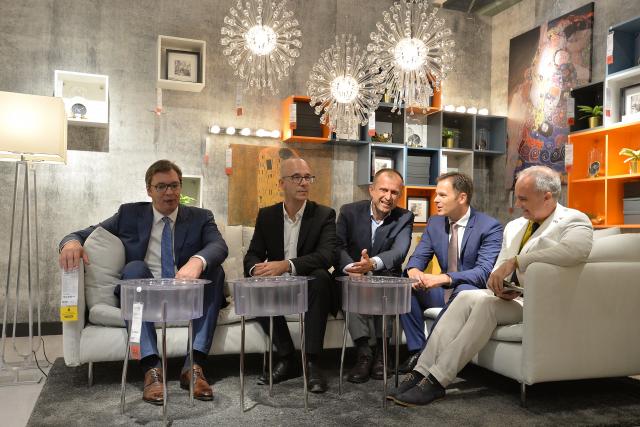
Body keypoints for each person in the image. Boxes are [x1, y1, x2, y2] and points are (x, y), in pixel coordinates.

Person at [389, 165, 593, 407]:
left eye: (523, 198)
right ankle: (421, 371)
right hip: (513, 298)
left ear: (547, 196)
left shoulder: (573, 220)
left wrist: (517, 261)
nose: (517, 204)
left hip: (540, 302)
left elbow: (576, 251)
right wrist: (498, 284)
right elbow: (496, 269)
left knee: (486, 306)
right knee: (465, 297)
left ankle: (437, 380)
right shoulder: (515, 226)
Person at [59, 160, 227, 405]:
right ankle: (151, 369)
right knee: (134, 268)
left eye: (174, 185)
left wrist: (197, 261)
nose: (169, 192)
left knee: (215, 270)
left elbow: (218, 245)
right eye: (161, 186)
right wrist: (71, 243)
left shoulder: (201, 217)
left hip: (186, 292)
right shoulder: (129, 214)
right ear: (149, 190)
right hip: (144, 294)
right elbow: (84, 233)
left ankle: (194, 366)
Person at [243, 157, 336, 393]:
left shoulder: (324, 214)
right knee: (252, 286)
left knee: (321, 277)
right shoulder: (267, 215)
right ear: (281, 183)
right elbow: (253, 254)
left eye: (308, 177)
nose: (304, 183)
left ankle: (312, 361)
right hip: (277, 287)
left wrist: (286, 265)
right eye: (296, 177)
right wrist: (256, 270)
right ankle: (287, 357)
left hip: (309, 287)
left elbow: (326, 256)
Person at [398, 172, 503, 374]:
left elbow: (483, 272)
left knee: (463, 289)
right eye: (436, 194)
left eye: (442, 195)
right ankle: (418, 351)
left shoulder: (489, 227)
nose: (435, 200)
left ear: (461, 197)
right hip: (444, 292)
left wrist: (443, 278)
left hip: (470, 293)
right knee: (405, 283)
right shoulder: (435, 223)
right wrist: (414, 271)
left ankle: (429, 354)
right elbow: (419, 256)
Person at [336, 168, 414, 384]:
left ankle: (382, 355)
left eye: (394, 192)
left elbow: (399, 251)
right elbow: (337, 246)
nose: (388, 197)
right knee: (351, 286)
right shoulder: (349, 211)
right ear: (371, 190)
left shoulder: (404, 217)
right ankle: (364, 354)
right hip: (353, 276)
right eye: (383, 190)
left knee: (387, 285)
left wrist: (371, 264)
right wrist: (353, 268)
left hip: (384, 275)